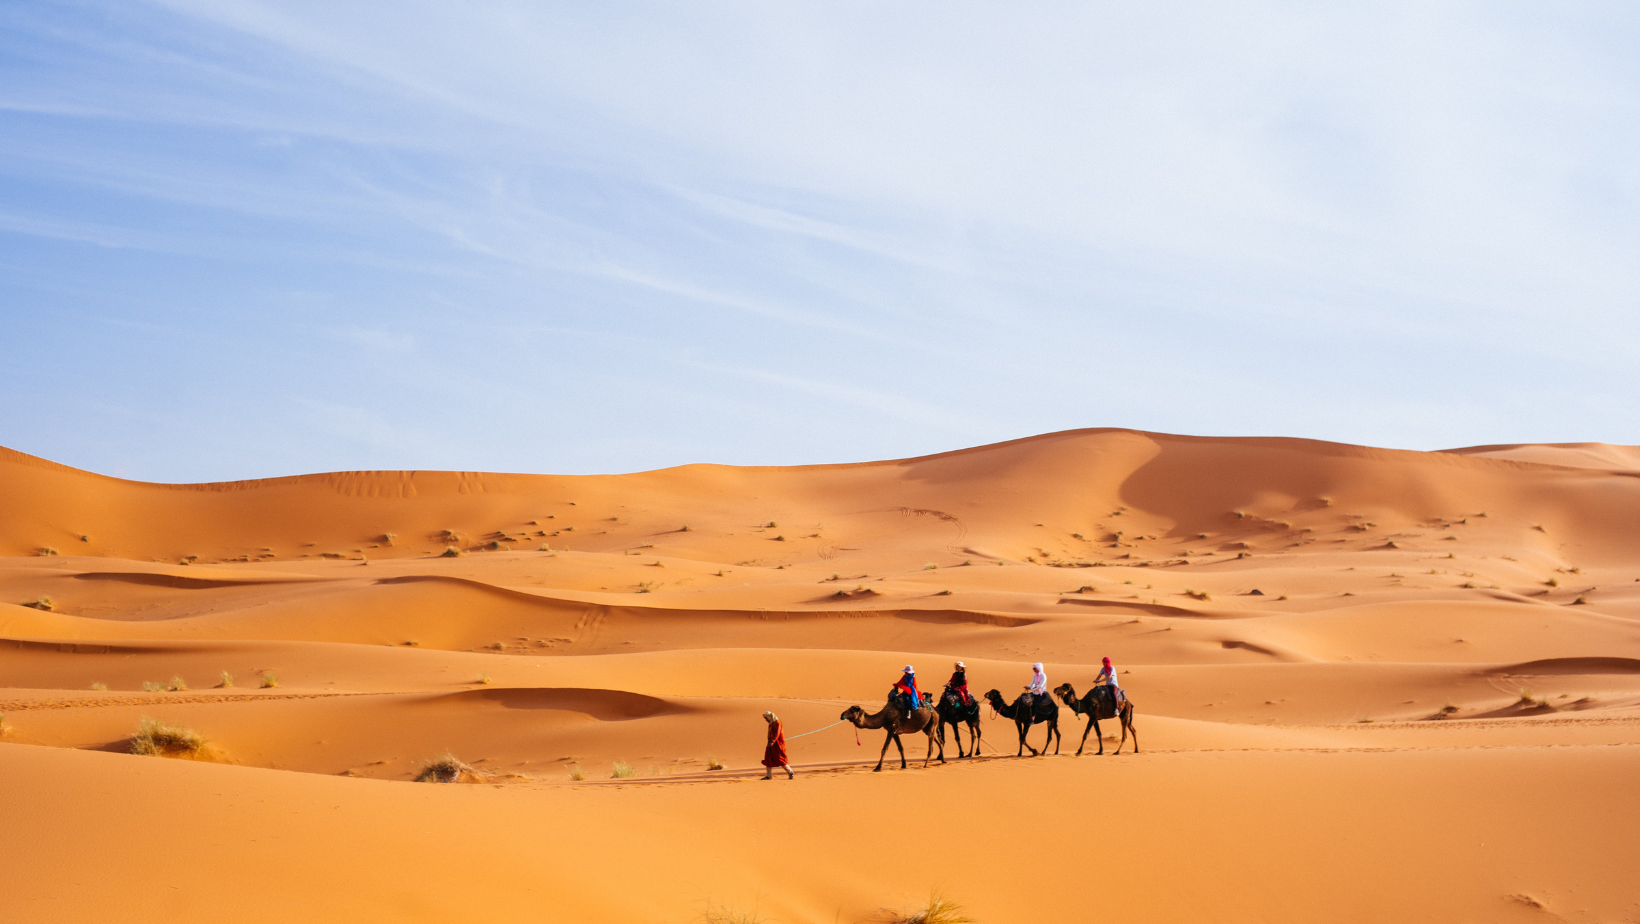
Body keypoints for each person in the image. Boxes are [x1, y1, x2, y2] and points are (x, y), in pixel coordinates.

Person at [761, 711, 793, 780]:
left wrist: (772, 741)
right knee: (768, 759)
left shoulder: (777, 723)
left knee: (780, 758)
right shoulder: (771, 723)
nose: (766, 720)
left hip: (777, 744)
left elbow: (777, 733)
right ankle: (768, 776)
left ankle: (790, 772)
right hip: (771, 743)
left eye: (766, 718)